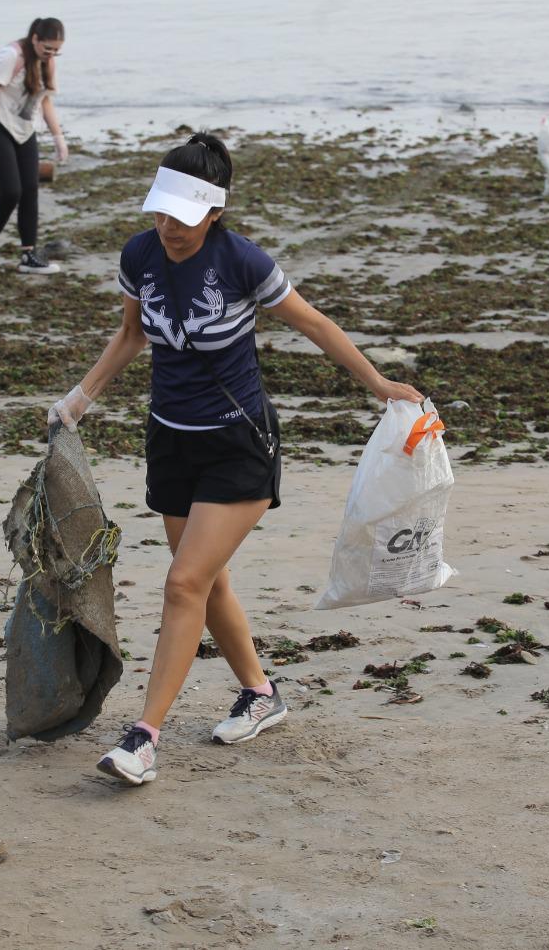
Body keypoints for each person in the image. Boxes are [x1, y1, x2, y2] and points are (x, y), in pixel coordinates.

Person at [46, 133, 423, 786]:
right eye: (160, 212)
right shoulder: (140, 254)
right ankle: (260, 694)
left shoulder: (242, 262)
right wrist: (81, 398)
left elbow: (315, 325)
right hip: (170, 441)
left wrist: (381, 385)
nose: (167, 228)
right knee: (206, 581)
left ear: (214, 213)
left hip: (239, 444)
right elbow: (133, 333)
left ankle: (143, 737)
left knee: (183, 584)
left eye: (182, 218)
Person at [0, 17, 68, 274]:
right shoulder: (11, 56)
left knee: (31, 188)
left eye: (56, 50)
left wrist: (59, 138)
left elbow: (45, 102)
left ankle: (28, 256)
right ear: (35, 39)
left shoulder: (48, 64)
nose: (51, 54)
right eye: (47, 49)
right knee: (12, 191)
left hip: (24, 128)